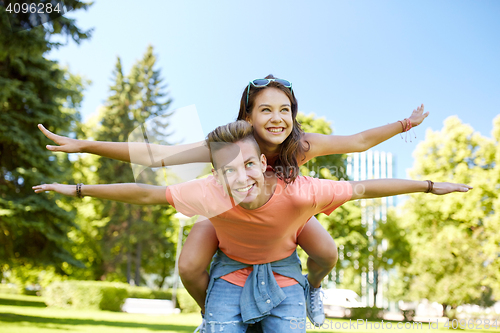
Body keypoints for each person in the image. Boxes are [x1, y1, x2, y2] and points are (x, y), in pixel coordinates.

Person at [37, 75, 429, 327]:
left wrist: (405, 125)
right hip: (227, 211)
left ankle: (310, 288)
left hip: (287, 211)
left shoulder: (302, 145)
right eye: (266, 110)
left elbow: (359, 143)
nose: (277, 118)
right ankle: (211, 315)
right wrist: (86, 146)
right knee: (190, 264)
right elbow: (155, 155)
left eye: (285, 110)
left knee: (327, 250)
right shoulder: (226, 148)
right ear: (248, 115)